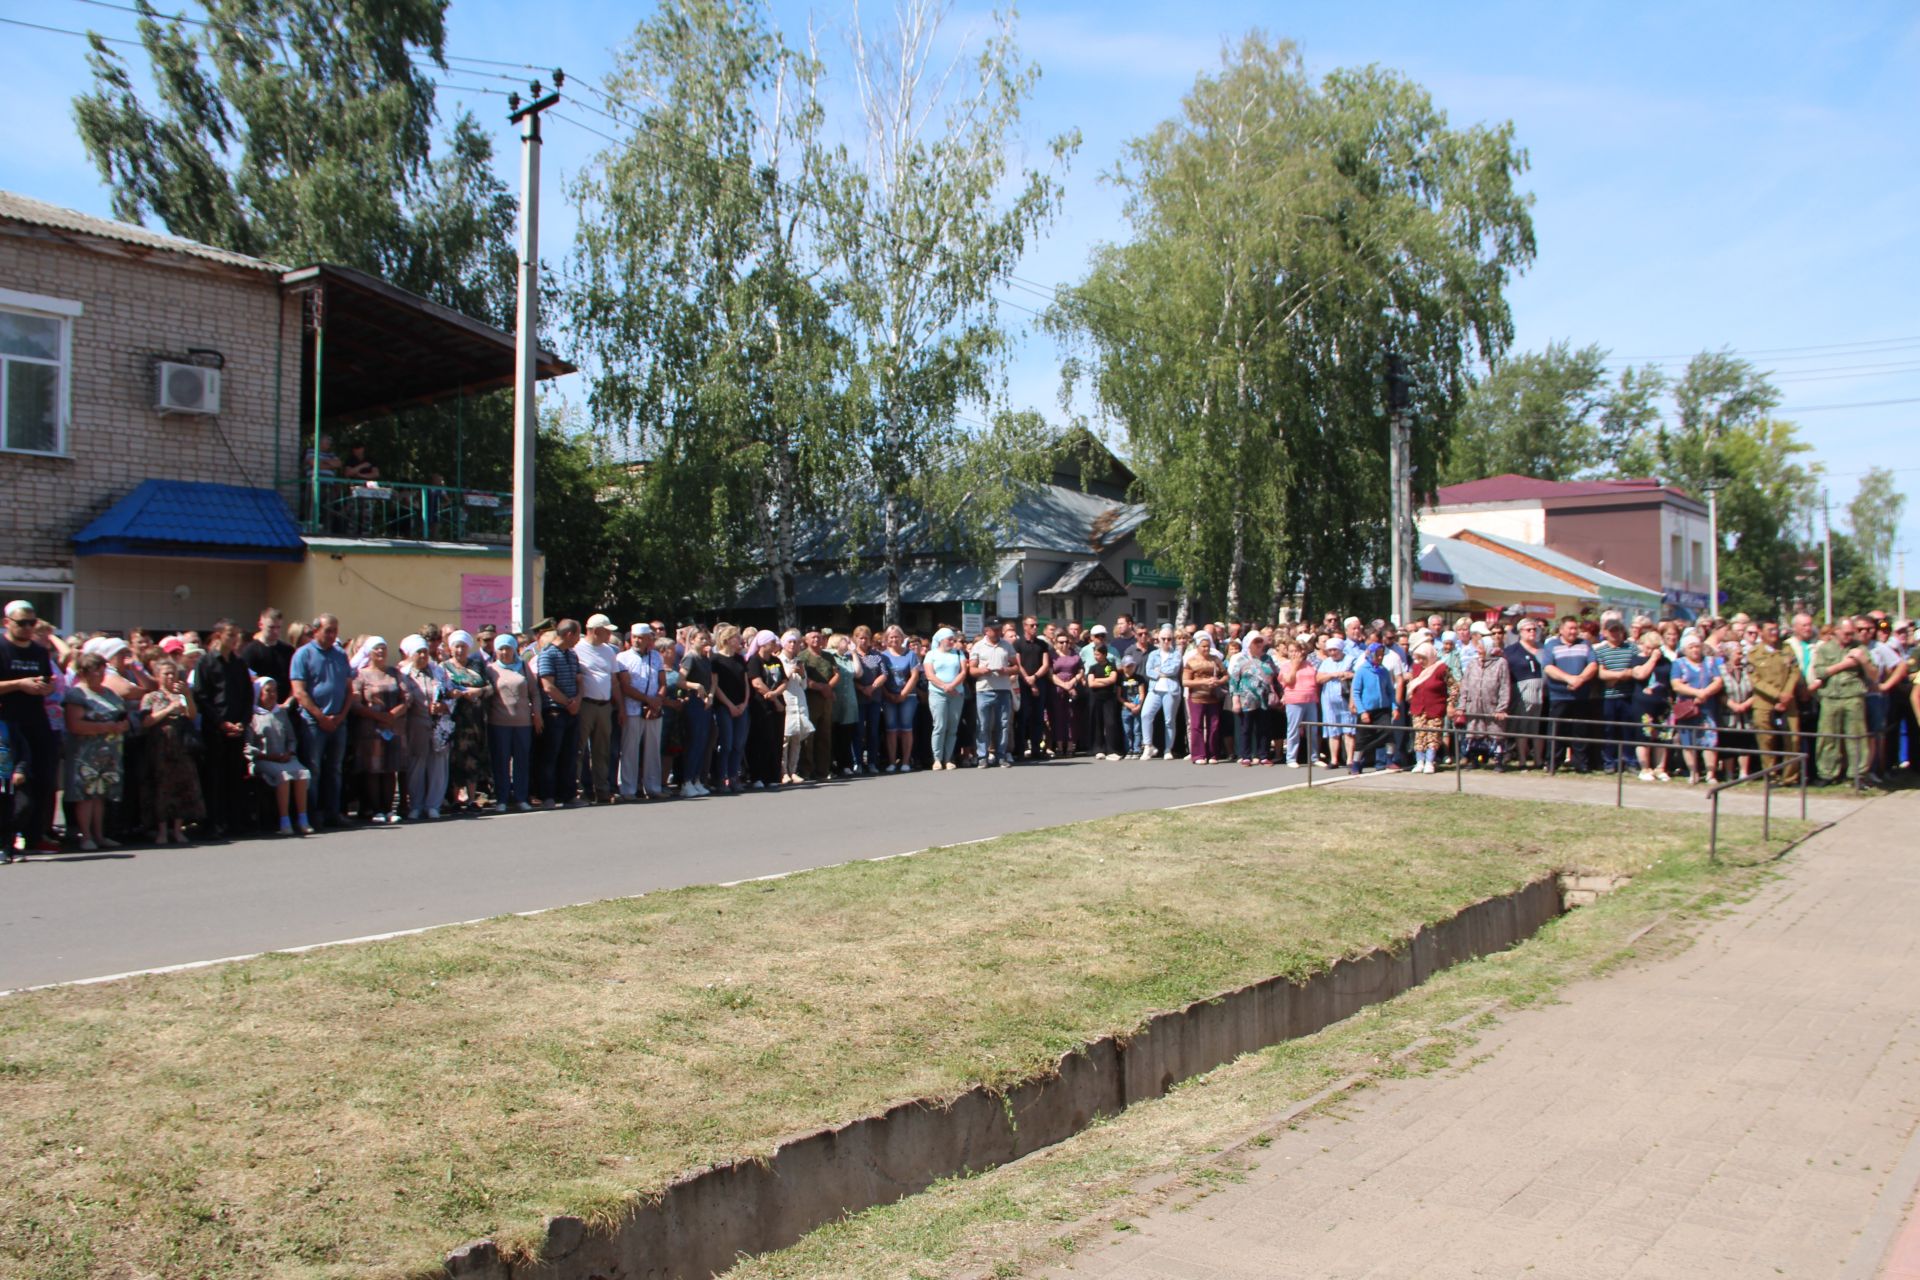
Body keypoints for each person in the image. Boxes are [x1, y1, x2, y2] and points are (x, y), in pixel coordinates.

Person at [289, 613, 355, 826]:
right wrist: (320, 716)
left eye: (335, 630)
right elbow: (300, 692)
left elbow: (348, 689)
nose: (331, 635)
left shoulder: (339, 654)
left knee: (334, 768)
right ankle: (312, 814)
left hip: (338, 721)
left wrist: (341, 715)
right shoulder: (303, 655)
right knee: (314, 768)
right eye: (328, 630)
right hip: (313, 723)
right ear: (316, 630)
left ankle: (333, 812)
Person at [194, 620, 256, 836]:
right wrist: (221, 722)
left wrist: (242, 722)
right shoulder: (206, 662)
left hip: (236, 727)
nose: (234, 640)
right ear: (218, 636)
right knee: (214, 777)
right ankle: (214, 821)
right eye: (230, 635)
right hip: (215, 729)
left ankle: (235, 821)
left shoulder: (239, 664)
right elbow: (202, 697)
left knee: (235, 775)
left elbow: (248, 696)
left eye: (236, 636)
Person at [62, 650, 128, 852]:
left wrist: (121, 726)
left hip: (109, 752)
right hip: (85, 753)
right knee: (86, 795)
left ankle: (99, 835)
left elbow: (122, 716)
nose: (99, 675)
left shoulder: (108, 693)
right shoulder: (77, 694)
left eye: (101, 671)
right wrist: (107, 727)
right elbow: (75, 725)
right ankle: (86, 836)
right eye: (94, 671)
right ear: (83, 672)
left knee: (100, 795)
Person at [350, 637, 413, 822]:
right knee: (373, 770)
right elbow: (355, 703)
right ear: (369, 652)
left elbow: (406, 698)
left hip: (392, 728)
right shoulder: (361, 675)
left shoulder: (395, 673)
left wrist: (392, 715)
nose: (380, 652)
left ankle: (388, 810)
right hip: (371, 729)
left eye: (383, 648)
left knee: (390, 768)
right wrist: (377, 716)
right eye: (376, 649)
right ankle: (375, 809)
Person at [1810, 617, 1874, 787]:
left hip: (1853, 696)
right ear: (1836, 631)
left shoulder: (1859, 648)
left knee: (1856, 737)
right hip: (1831, 697)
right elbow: (1819, 672)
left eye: (1851, 633)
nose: (1849, 636)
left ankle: (1857, 774)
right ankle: (1827, 773)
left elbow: (1874, 675)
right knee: (1827, 737)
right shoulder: (1825, 649)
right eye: (1846, 633)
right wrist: (1844, 664)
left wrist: (1863, 661)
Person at [246, 676, 311, 835]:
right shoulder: (253, 716)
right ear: (259, 693)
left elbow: (291, 738)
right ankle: (284, 821)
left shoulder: (281, 713)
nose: (272, 694)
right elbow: (248, 746)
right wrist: (268, 756)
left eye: (275, 691)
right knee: (284, 776)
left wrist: (289, 752)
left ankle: (303, 819)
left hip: (285, 758)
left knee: (303, 773)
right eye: (268, 691)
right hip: (264, 760)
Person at [397, 634, 450, 819]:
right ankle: (416, 805)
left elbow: (450, 694)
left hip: (438, 724)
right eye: (418, 652)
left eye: (425, 652)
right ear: (411, 654)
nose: (422, 655)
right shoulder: (404, 674)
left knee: (438, 765)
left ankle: (433, 804)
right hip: (416, 725)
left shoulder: (438, 671)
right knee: (416, 765)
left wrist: (444, 706)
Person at [441, 631, 493, 810]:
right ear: (451, 648)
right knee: (456, 759)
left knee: (474, 757)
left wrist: (477, 692)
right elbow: (440, 691)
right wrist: (454, 694)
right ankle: (455, 798)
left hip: (475, 721)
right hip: (455, 720)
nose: (460, 650)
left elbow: (489, 687)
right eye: (456, 646)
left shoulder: (477, 665)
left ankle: (471, 798)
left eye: (463, 646)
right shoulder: (444, 668)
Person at [485, 634, 538, 811]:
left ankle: (521, 797)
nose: (504, 652)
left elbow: (535, 693)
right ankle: (502, 798)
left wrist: (537, 714)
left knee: (522, 761)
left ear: (514, 649)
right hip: (499, 723)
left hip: (523, 723)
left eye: (508, 648)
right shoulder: (490, 669)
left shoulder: (522, 666)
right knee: (501, 761)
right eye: (500, 649)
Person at [534, 620, 583, 808]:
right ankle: (548, 795)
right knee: (550, 755)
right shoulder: (547, 655)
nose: (579, 640)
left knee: (570, 754)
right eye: (578, 635)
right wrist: (567, 703)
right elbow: (547, 686)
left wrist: (577, 699)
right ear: (569, 634)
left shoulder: (571, 654)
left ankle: (568, 795)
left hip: (572, 711)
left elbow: (579, 680)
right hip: (555, 712)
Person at [575, 615, 622, 805]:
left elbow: (614, 680)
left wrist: (621, 708)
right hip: (585, 704)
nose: (610, 634)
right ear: (595, 631)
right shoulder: (577, 648)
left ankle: (602, 789)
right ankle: (577, 789)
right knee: (578, 749)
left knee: (602, 750)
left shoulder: (608, 651)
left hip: (604, 706)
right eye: (606, 630)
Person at [617, 624, 667, 801]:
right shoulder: (623, 658)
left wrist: (657, 703)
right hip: (633, 708)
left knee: (653, 749)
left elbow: (662, 682)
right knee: (630, 749)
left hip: (653, 709)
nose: (637, 641)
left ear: (649, 639)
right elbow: (625, 686)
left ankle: (653, 787)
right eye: (634, 637)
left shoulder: (656, 657)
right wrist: (648, 700)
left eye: (641, 637)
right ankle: (628, 788)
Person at [1542, 616, 1598, 774]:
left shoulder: (1585, 644)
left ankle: (1581, 763)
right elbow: (1548, 667)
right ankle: (1553, 762)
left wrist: (1580, 679)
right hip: (1559, 696)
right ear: (1561, 630)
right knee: (1556, 730)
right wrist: (1569, 678)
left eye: (1575, 628)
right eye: (1570, 628)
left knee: (1580, 730)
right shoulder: (1551, 645)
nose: (1574, 631)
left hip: (1581, 696)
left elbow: (1593, 665)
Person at [1669, 636, 1724, 785]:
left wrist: (1704, 693)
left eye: (1697, 646)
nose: (1695, 650)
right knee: (1688, 741)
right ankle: (1694, 772)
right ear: (1685, 649)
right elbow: (1676, 685)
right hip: (1687, 708)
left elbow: (1718, 681)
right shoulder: (1678, 664)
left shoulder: (1710, 662)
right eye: (1691, 647)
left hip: (1707, 707)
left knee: (1710, 741)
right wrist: (1696, 693)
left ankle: (1711, 773)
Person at [1456, 633, 1511, 769]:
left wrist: (1501, 707)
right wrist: (1461, 706)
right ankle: (1474, 759)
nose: (1478, 650)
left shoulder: (1500, 663)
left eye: (1481, 647)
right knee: (1474, 733)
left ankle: (1498, 761)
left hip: (1492, 705)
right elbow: (1465, 686)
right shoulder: (1472, 664)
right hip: (1473, 705)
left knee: (1496, 733)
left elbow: (1505, 686)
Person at [1592, 619, 1641, 774]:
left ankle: (1630, 761)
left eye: (1618, 630)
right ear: (1605, 632)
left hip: (1628, 696)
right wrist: (1621, 674)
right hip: (1608, 697)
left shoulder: (1632, 648)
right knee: (1609, 730)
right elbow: (1601, 673)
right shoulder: (1600, 650)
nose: (1615, 634)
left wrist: (1613, 677)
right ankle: (1609, 762)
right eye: (1612, 631)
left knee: (1628, 730)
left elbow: (1634, 671)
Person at [968, 620, 1016, 768]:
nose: (997, 632)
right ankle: (982, 756)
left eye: (998, 629)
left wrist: (1006, 670)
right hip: (984, 689)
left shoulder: (1006, 645)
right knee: (983, 724)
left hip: (1003, 689)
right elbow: (971, 670)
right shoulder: (978, 646)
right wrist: (981, 671)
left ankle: (1001, 756)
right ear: (986, 630)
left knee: (1003, 724)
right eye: (994, 630)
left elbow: (1016, 667)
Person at [1628, 627, 1673, 783]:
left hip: (1662, 704)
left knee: (1662, 736)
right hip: (1642, 704)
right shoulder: (1637, 659)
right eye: (1648, 647)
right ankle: (1645, 768)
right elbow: (1640, 675)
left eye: (1654, 648)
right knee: (1644, 735)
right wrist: (1652, 660)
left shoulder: (1666, 662)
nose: (1650, 651)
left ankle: (1660, 768)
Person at [746, 630, 788, 790]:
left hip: (777, 703)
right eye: (772, 642)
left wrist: (776, 694)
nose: (775, 644)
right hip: (761, 706)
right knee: (760, 741)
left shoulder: (776, 660)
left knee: (775, 740)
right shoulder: (754, 661)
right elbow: (757, 683)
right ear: (763, 643)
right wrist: (774, 699)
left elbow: (785, 680)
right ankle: (757, 776)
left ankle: (773, 775)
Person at [1227, 631, 1275, 766]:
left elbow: (1273, 677)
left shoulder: (1267, 659)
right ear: (1249, 644)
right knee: (1246, 728)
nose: (1259, 645)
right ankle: (1246, 755)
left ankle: (1263, 755)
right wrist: (1235, 700)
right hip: (1246, 699)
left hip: (1263, 700)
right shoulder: (1241, 660)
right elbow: (1234, 681)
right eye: (1256, 642)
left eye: (1261, 642)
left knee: (1264, 728)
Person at [922, 627, 968, 769]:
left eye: (953, 639)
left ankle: (948, 759)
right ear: (941, 640)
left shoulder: (959, 653)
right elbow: (929, 674)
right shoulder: (931, 654)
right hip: (937, 694)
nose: (952, 642)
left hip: (956, 694)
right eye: (949, 639)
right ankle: (937, 758)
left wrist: (952, 686)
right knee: (939, 725)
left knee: (952, 727)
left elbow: (963, 672)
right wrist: (944, 686)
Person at [1349, 642, 1397, 773]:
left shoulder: (1384, 671)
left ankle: (1389, 760)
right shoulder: (1362, 671)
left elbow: (1390, 691)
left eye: (1382, 655)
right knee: (1362, 739)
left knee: (1388, 733)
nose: (1380, 657)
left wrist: (1394, 707)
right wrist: (1362, 711)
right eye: (1378, 655)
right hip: (1367, 711)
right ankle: (1356, 763)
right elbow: (1356, 693)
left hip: (1383, 710)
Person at [677, 630, 715, 797]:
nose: (704, 640)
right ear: (692, 640)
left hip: (705, 703)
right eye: (701, 638)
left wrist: (711, 695)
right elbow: (680, 680)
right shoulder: (690, 657)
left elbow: (712, 681)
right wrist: (696, 686)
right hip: (693, 702)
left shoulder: (705, 658)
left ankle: (696, 779)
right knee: (694, 742)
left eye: (706, 638)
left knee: (702, 742)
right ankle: (686, 781)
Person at [878, 625, 920, 773]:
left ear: (902, 638)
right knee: (891, 729)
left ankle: (906, 761)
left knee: (906, 728)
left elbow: (914, 676)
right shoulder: (882, 656)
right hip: (888, 696)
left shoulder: (911, 655)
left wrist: (903, 694)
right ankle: (891, 762)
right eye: (891, 637)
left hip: (908, 696)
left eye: (897, 637)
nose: (894, 639)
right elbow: (880, 677)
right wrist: (888, 694)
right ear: (886, 639)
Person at [1405, 642, 1451, 774]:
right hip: (1418, 708)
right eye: (1418, 658)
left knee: (1433, 735)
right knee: (1420, 735)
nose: (1420, 661)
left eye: (1423, 658)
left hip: (1435, 708)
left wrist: (1451, 704)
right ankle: (1419, 761)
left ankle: (1430, 761)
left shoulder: (1441, 668)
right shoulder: (1416, 668)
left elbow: (1453, 687)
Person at [1181, 630, 1226, 765]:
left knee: (1214, 725)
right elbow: (1185, 681)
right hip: (1196, 698)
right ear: (1197, 647)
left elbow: (1225, 675)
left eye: (1207, 646)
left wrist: (1218, 682)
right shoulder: (1191, 661)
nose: (1206, 649)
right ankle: (1198, 754)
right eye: (1203, 646)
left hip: (1213, 698)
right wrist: (1203, 682)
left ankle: (1213, 753)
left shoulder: (1215, 660)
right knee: (1196, 726)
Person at [799, 630, 838, 783]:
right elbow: (803, 678)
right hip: (811, 699)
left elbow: (837, 674)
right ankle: (807, 770)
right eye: (813, 637)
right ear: (806, 640)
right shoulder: (803, 657)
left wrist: (828, 687)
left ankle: (823, 769)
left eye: (819, 637)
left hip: (826, 700)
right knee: (809, 736)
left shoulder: (828, 656)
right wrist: (820, 687)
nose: (816, 639)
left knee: (825, 735)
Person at [1141, 626, 1183, 759]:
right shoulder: (1153, 654)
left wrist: (1159, 670)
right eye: (1163, 639)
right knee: (1146, 714)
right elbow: (1148, 671)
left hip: (1171, 689)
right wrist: (1160, 673)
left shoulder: (1176, 654)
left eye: (1169, 639)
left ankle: (1168, 749)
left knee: (1169, 720)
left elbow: (1174, 670)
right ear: (1158, 639)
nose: (1166, 641)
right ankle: (1148, 745)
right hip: (1154, 689)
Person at [1315, 635, 1357, 767]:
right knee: (1332, 729)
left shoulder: (1351, 660)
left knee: (1349, 729)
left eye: (1335, 650)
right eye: (1330, 650)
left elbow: (1358, 674)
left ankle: (1350, 759)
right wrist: (1333, 675)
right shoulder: (1326, 662)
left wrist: (1349, 675)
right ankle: (1334, 759)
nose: (1333, 653)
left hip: (1345, 698)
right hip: (1329, 699)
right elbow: (1319, 679)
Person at [851, 625, 887, 775]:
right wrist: (861, 688)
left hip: (874, 698)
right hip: (858, 699)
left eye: (866, 638)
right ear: (855, 639)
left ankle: (872, 762)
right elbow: (849, 676)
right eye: (861, 638)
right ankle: (857, 762)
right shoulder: (850, 656)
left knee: (873, 731)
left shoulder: (876, 655)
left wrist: (871, 688)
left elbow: (883, 674)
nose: (864, 641)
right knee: (858, 731)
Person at [1085, 630, 1124, 760]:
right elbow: (1091, 683)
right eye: (1094, 654)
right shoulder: (1093, 667)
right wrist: (1103, 682)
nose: (1096, 656)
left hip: (1109, 697)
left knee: (1110, 722)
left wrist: (1098, 681)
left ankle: (1111, 748)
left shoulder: (1111, 665)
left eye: (1098, 654)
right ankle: (1098, 748)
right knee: (1097, 722)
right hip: (1096, 697)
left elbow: (1112, 679)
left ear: (1104, 654)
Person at [239, 608, 294, 696]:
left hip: (286, 705)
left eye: (278, 627)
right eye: (271, 627)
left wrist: (288, 702)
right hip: (259, 706)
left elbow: (294, 680)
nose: (276, 631)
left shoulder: (288, 650)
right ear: (260, 625)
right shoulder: (250, 651)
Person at [1118, 652, 1145, 758]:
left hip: (1137, 706)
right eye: (1128, 666)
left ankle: (1137, 749)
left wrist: (1138, 705)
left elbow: (1142, 693)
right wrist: (1127, 704)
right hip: (1125, 707)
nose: (1130, 668)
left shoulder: (1139, 678)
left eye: (1132, 665)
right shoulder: (1121, 679)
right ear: (1123, 667)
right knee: (1127, 730)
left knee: (1137, 729)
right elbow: (1119, 696)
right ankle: (1129, 749)